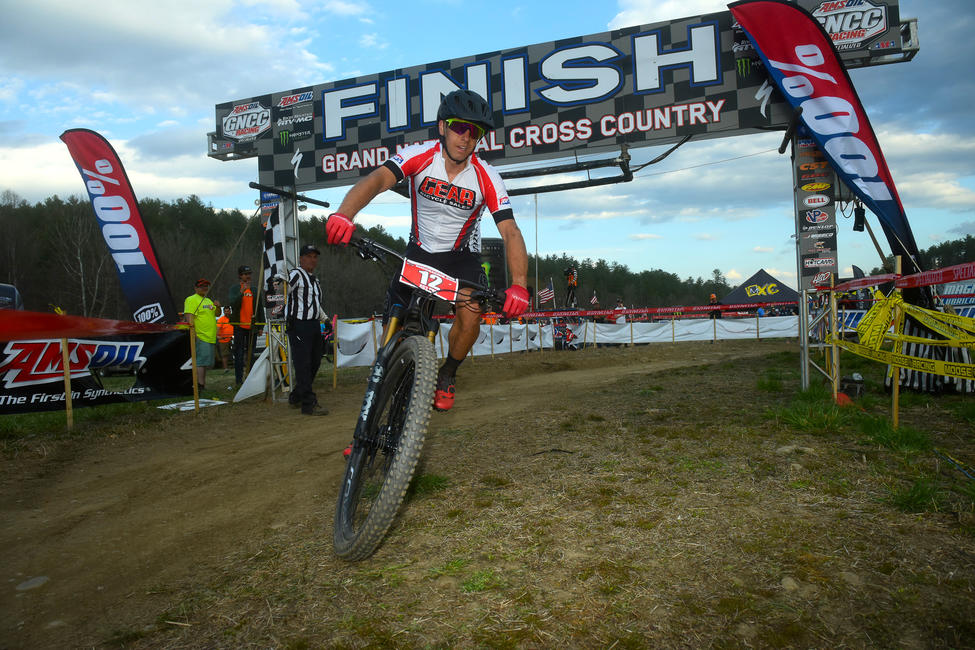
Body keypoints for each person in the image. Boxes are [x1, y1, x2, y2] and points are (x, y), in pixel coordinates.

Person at [324, 89, 530, 411]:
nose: (465, 138)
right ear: (442, 127)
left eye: (474, 132)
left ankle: (448, 373)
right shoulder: (419, 155)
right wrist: (344, 214)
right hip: (419, 250)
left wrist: (519, 283)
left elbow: (510, 231)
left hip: (460, 258)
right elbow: (378, 179)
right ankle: (385, 374)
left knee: (472, 314)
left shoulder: (487, 176)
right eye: (459, 127)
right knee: (392, 323)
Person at [287, 244, 328, 416]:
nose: (312, 260)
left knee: (315, 361)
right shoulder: (296, 274)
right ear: (301, 259)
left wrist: (325, 319)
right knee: (303, 364)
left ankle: (297, 395)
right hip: (299, 324)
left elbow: (315, 304)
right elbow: (283, 292)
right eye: (309, 256)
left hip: (313, 324)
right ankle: (308, 403)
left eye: (315, 257)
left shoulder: (314, 280)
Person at [184, 278, 218, 392]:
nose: (205, 288)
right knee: (200, 361)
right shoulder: (191, 299)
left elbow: (217, 313)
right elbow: (189, 316)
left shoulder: (208, 300)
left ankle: (202, 384)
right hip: (201, 335)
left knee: (205, 362)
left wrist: (217, 306)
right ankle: (199, 385)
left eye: (206, 286)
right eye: (202, 286)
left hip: (210, 337)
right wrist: (193, 333)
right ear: (196, 288)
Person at [227, 264, 255, 385]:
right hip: (239, 326)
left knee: (251, 354)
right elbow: (233, 304)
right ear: (240, 276)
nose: (248, 276)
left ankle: (251, 379)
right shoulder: (234, 289)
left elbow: (259, 307)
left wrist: (259, 326)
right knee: (238, 354)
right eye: (245, 274)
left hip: (252, 326)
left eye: (249, 274)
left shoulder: (254, 289)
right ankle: (239, 380)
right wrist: (241, 292)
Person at [216, 306, 233, 371]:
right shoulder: (221, 319)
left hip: (232, 339)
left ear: (230, 311)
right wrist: (218, 336)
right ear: (223, 312)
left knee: (235, 353)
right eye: (225, 311)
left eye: (228, 311)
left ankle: (234, 366)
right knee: (224, 355)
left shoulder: (233, 318)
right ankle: (225, 368)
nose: (227, 312)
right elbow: (217, 329)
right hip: (223, 340)